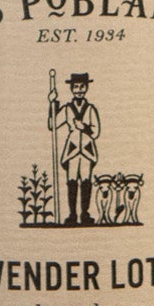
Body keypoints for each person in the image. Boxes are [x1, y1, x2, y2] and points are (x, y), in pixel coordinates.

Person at [49, 72, 101, 226]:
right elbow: (53, 125)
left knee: (85, 181)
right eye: (76, 87)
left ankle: (85, 214)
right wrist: (53, 104)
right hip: (72, 150)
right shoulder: (67, 109)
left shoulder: (90, 109)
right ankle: (72, 215)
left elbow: (96, 131)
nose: (79, 90)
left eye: (82, 87)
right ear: (71, 89)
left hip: (86, 150)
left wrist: (83, 127)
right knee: (72, 181)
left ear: (86, 88)